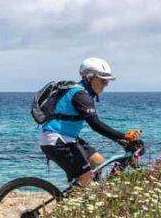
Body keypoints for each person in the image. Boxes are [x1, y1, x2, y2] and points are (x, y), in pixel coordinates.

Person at [40, 57, 141, 187]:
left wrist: (119, 139)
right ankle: (74, 198)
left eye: (107, 82)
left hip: (69, 138)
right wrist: (123, 136)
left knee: (98, 162)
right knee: (86, 177)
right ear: (89, 77)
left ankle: (90, 193)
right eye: (103, 81)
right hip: (56, 140)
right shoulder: (79, 94)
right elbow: (95, 124)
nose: (105, 85)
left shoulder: (85, 92)